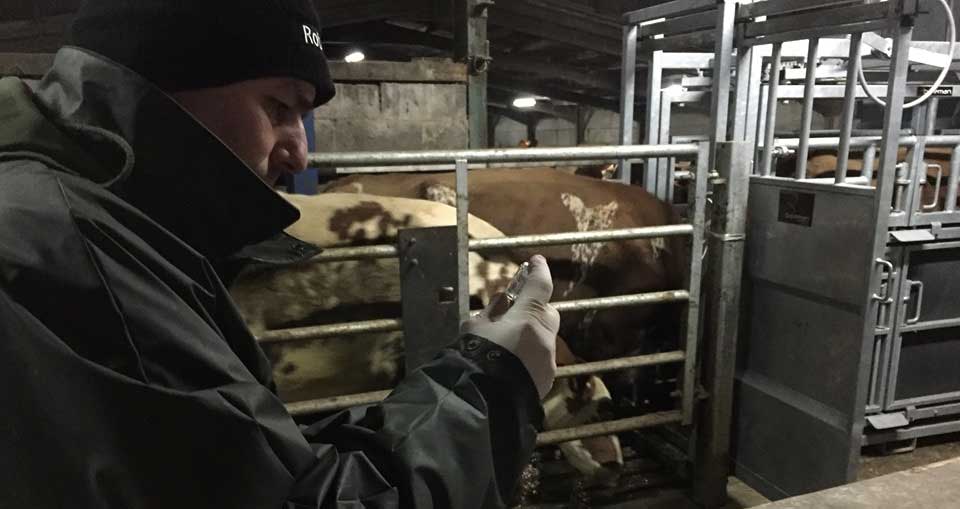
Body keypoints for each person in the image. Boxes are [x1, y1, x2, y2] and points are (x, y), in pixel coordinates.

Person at [0, 1, 560, 507]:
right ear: (166, 78)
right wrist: (491, 386)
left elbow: (242, 464)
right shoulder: (75, 259)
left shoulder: (78, 222)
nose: (300, 151)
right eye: (280, 107)